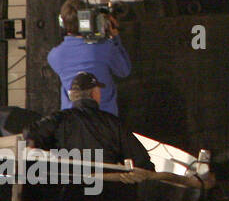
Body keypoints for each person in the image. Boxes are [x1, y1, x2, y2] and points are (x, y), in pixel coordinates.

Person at [25, 72, 154, 171]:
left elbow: (30, 135)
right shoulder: (113, 124)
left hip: (66, 193)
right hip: (106, 193)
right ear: (95, 93)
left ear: (71, 96)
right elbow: (141, 161)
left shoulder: (58, 120)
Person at [48, 0, 132, 116]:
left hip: (72, 121)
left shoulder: (54, 56)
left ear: (62, 22)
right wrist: (115, 37)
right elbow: (124, 71)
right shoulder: (104, 47)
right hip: (104, 119)